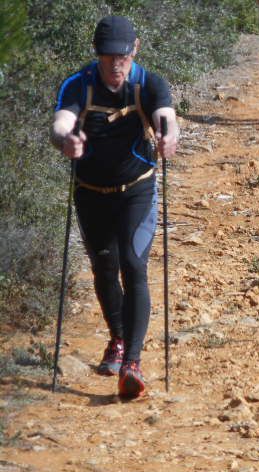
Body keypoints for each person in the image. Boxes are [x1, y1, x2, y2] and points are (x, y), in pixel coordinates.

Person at [51, 15, 178, 398]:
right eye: (108, 58)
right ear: (97, 56)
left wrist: (169, 136)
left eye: (122, 57)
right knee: (104, 266)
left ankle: (132, 363)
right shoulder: (80, 84)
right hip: (90, 191)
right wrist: (66, 141)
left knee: (133, 264)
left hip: (135, 188)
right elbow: (60, 122)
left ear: (134, 50)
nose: (116, 65)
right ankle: (117, 339)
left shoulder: (148, 84)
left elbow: (166, 116)